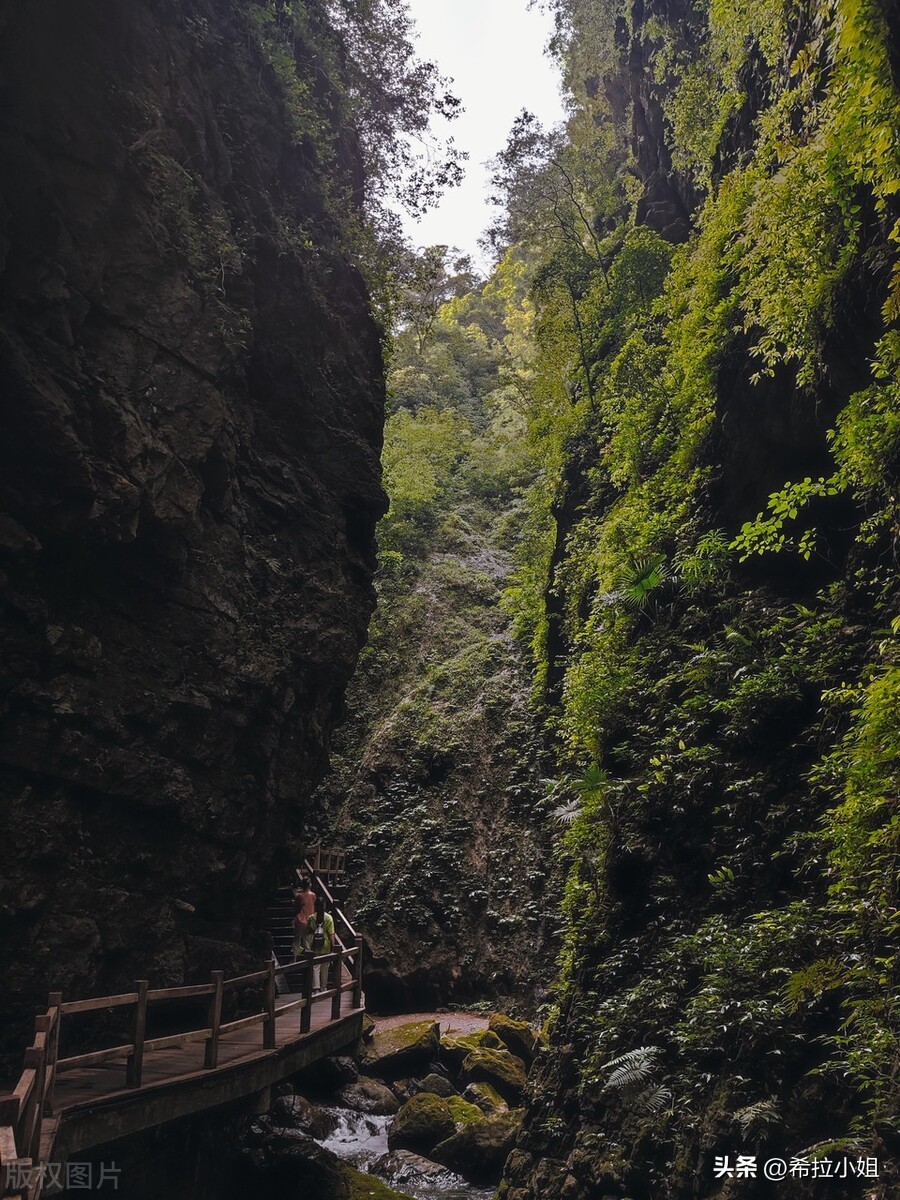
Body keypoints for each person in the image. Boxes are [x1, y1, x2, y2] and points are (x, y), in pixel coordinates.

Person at [307, 896, 335, 993]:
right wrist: (333, 945)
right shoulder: (329, 918)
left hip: (314, 945)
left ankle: (316, 988)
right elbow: (331, 934)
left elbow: (308, 933)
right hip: (325, 945)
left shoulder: (311, 918)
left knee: (315, 967)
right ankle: (324, 987)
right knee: (325, 967)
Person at [292, 877, 316, 962]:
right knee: (307, 941)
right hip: (310, 920)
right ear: (309, 885)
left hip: (301, 919)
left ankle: (295, 958)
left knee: (297, 940)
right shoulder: (313, 895)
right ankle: (308, 960)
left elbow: (296, 908)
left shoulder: (299, 896)